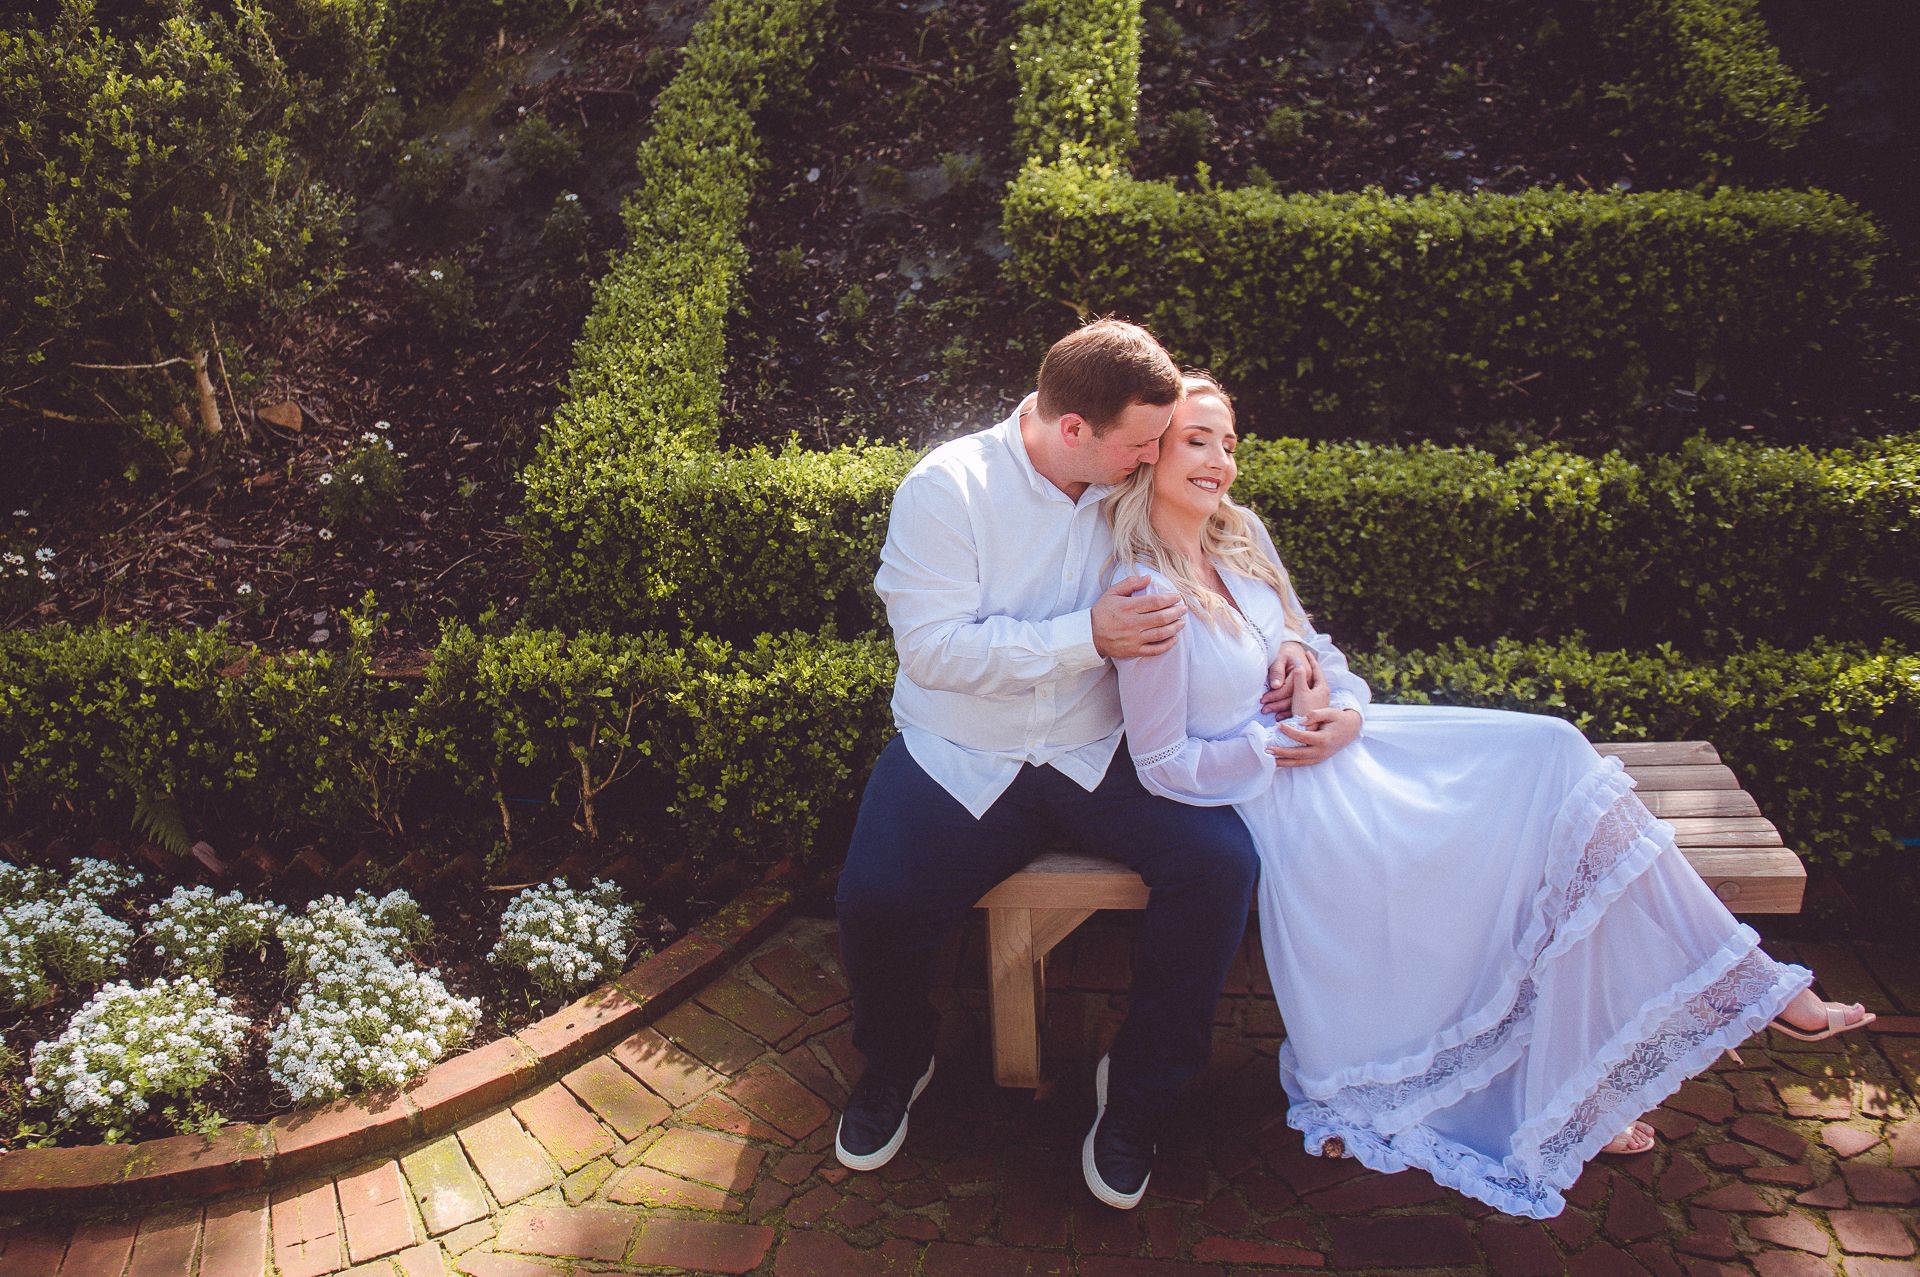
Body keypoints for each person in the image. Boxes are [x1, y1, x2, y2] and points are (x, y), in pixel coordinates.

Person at [1105, 372, 1875, 1219]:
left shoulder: (1241, 535)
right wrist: (1274, 743)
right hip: (1286, 799)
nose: (1220, 461)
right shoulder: (1144, 591)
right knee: (1489, 861)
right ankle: (1611, 1060)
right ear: (1150, 454)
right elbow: (1164, 761)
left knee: (1550, 749)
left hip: (1360, 751)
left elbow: (1318, 645)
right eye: (1197, 441)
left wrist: (1342, 706)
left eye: (1229, 442)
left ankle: (1739, 988)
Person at [832, 321, 1322, 1209]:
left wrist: (1289, 639)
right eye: (1140, 443)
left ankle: (1138, 1090)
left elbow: (1224, 555)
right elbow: (934, 650)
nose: (1154, 457)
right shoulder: (948, 490)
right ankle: (898, 1058)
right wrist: (1083, 637)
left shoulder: (1128, 484)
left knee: (1219, 868)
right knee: (875, 901)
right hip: (962, 756)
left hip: (1101, 755)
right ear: (1074, 432)